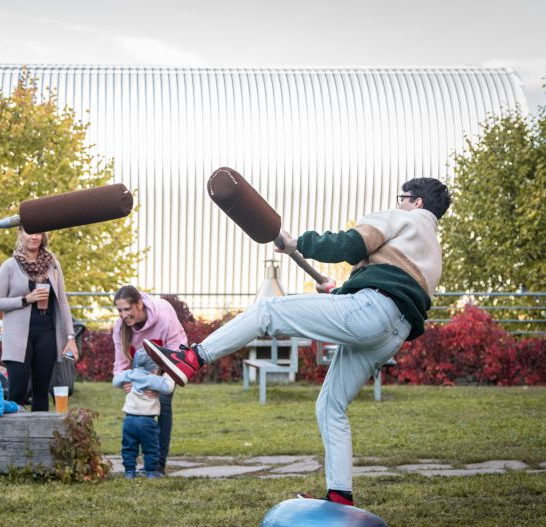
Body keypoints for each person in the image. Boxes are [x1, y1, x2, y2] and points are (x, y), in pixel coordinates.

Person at [145, 178, 452, 506]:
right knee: (331, 406)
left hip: (371, 312)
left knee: (266, 311)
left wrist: (298, 242)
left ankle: (192, 358)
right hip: (392, 333)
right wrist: (341, 292)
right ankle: (340, 496)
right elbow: (393, 284)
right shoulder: (431, 248)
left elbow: (349, 244)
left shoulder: (400, 217)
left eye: (402, 197)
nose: (399, 202)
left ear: (417, 202)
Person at [0, 228, 78, 412]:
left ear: (43, 236)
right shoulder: (10, 265)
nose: (34, 236)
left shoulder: (53, 264)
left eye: (38, 233)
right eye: (29, 232)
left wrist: (70, 337)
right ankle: (13, 438)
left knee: (41, 391)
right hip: (17, 337)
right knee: (18, 391)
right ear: (20, 234)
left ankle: (39, 439)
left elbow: (62, 301)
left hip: (47, 334)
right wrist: (26, 299)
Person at [113, 285, 187, 475]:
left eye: (127, 309)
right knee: (136, 410)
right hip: (139, 369)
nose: (123, 315)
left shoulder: (163, 315)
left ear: (139, 304)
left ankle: (157, 465)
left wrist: (161, 383)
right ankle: (131, 463)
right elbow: (120, 360)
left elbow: (177, 353)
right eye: (119, 310)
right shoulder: (120, 327)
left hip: (168, 365)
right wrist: (124, 382)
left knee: (162, 404)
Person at [112, 348, 175, 479]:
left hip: (129, 420)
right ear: (154, 368)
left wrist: (125, 382)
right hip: (147, 421)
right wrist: (168, 373)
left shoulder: (129, 375)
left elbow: (115, 381)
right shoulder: (153, 379)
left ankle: (129, 471)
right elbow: (168, 387)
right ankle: (150, 471)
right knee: (151, 448)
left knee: (128, 447)